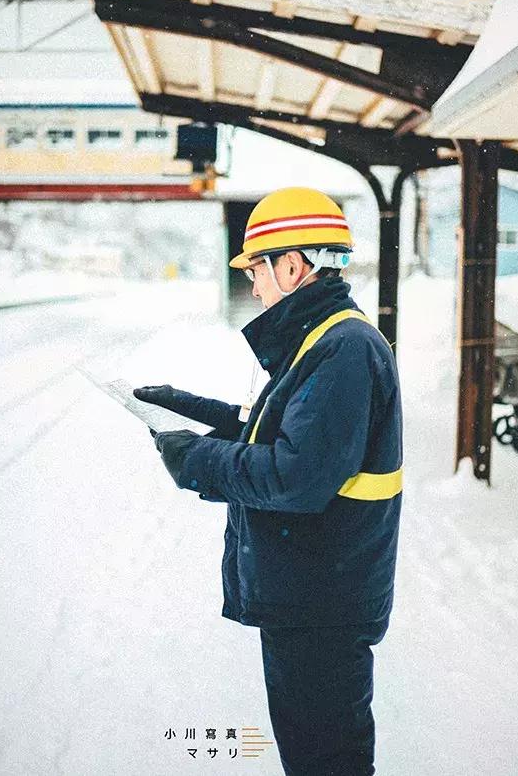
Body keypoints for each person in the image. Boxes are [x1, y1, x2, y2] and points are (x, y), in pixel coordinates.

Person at [134, 186, 403, 776]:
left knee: (326, 760)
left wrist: (195, 460)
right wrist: (191, 409)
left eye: (256, 267)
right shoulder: (324, 339)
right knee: (316, 753)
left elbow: (296, 475)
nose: (252, 284)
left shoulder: (344, 348)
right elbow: (282, 432)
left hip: (321, 605)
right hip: (313, 592)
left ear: (293, 265)